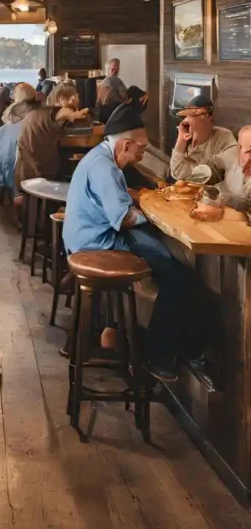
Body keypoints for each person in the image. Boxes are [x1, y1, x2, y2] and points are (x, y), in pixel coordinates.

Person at [63, 104, 196, 381]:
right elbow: (122, 218)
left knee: (167, 263)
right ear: (125, 145)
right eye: (141, 147)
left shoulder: (100, 156)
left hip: (83, 236)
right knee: (178, 278)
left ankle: (140, 335)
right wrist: (155, 216)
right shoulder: (105, 168)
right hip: (97, 243)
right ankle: (156, 356)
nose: (143, 153)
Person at [14, 83, 89, 198]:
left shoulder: (36, 114)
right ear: (60, 99)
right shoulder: (50, 114)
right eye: (71, 104)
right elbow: (60, 114)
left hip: (25, 177)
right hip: (38, 181)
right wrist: (73, 114)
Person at [170, 94, 241, 194]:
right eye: (187, 115)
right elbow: (176, 172)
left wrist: (188, 170)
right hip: (186, 195)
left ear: (208, 115)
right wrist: (181, 140)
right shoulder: (186, 136)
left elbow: (216, 170)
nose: (188, 119)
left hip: (211, 197)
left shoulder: (224, 136)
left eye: (193, 115)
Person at [202, 125, 251, 211]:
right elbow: (215, 168)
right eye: (249, 151)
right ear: (239, 148)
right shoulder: (232, 153)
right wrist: (204, 175)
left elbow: (246, 204)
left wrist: (221, 198)